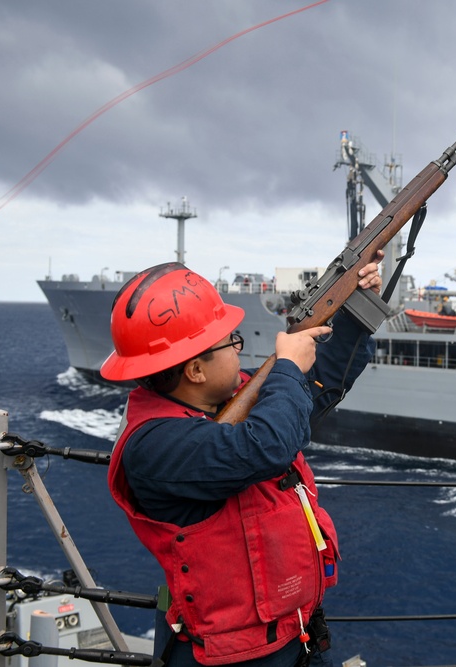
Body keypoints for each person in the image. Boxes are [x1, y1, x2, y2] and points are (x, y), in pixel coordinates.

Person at [102, 256, 383, 667]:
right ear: (196, 369)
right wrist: (286, 367)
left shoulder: (229, 401)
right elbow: (266, 446)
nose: (239, 347)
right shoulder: (154, 446)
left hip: (294, 636)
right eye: (231, 341)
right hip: (230, 656)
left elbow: (321, 383)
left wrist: (358, 308)